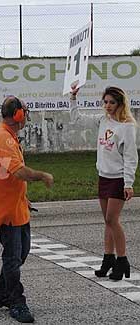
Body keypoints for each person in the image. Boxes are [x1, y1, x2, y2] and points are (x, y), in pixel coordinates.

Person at [0, 96, 54, 323]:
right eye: (25, 112)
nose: (27, 116)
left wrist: (25, 197)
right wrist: (42, 175)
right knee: (12, 257)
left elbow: (9, 176)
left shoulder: (8, 136)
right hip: (7, 209)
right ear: (18, 115)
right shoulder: (3, 138)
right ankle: (16, 301)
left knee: (22, 251)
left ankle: (0, 292)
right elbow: (18, 172)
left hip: (17, 204)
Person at [70, 86, 138, 281]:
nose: (107, 106)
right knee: (107, 221)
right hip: (104, 176)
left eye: (112, 102)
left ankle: (122, 260)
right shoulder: (103, 120)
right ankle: (108, 258)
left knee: (112, 220)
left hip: (118, 179)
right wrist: (73, 98)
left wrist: (128, 183)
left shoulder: (127, 126)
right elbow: (77, 119)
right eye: (105, 102)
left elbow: (131, 157)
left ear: (120, 104)